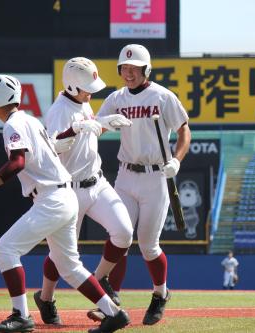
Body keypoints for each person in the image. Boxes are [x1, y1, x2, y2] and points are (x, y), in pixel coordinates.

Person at [0, 74, 130, 333]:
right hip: (65, 195)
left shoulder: (13, 125)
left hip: (51, 199)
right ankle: (112, 312)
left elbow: (18, 162)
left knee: (6, 249)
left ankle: (21, 316)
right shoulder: (28, 120)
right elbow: (53, 146)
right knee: (69, 266)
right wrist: (82, 127)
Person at [94, 44, 191, 325]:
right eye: (124, 68)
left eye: (133, 68)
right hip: (125, 175)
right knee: (119, 236)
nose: (128, 73)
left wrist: (177, 159)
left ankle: (160, 294)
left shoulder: (162, 96)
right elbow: (98, 128)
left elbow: (184, 129)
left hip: (156, 176)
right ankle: (111, 301)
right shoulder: (115, 98)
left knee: (148, 245)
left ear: (146, 69)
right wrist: (89, 128)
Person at [35, 57, 134, 325]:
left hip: (97, 182)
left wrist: (104, 122)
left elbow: (88, 133)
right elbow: (50, 148)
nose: (91, 92)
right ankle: (46, 298)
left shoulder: (82, 101)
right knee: (61, 255)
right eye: (86, 87)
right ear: (70, 86)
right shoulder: (59, 110)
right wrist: (76, 129)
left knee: (124, 232)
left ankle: (100, 277)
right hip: (70, 190)